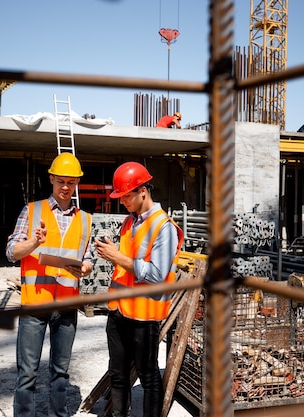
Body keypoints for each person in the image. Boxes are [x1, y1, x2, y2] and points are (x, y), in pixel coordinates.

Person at [6, 152, 93, 417]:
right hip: (35, 304)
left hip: (67, 305)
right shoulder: (32, 211)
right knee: (28, 373)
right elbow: (11, 252)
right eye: (61, 181)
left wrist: (86, 267)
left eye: (71, 182)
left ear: (77, 183)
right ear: (52, 179)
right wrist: (34, 242)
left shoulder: (85, 219)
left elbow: (87, 258)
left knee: (60, 372)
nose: (66, 187)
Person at [95, 161, 183, 417]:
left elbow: (156, 274)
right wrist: (114, 253)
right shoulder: (128, 222)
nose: (122, 201)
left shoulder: (163, 226)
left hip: (144, 316)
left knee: (148, 377)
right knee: (118, 374)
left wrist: (118, 257)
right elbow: (128, 263)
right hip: (119, 311)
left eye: (125, 196)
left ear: (142, 191)